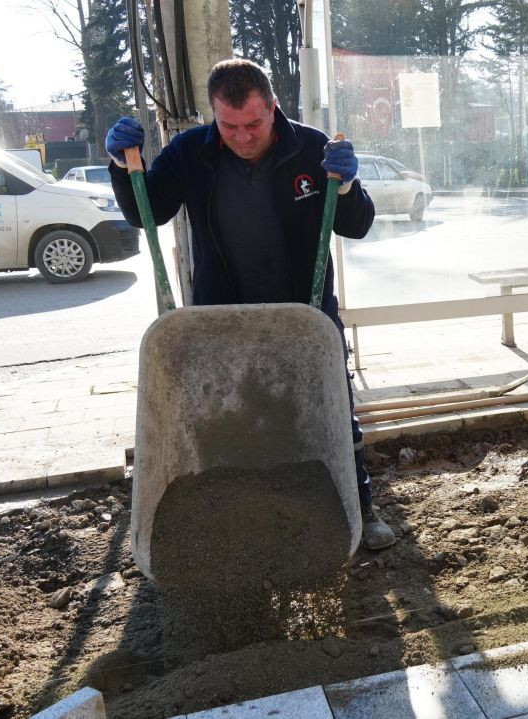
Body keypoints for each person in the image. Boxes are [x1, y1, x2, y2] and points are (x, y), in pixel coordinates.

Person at [104, 58, 397, 551]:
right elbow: (147, 211)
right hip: (223, 318)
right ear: (214, 114)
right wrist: (122, 166)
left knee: (331, 413)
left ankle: (359, 508)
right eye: (229, 125)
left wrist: (346, 185)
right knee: (232, 419)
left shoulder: (311, 149)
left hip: (303, 316)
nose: (242, 137)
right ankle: (243, 524)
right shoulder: (190, 153)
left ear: (273, 106)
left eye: (254, 124)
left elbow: (358, 223)